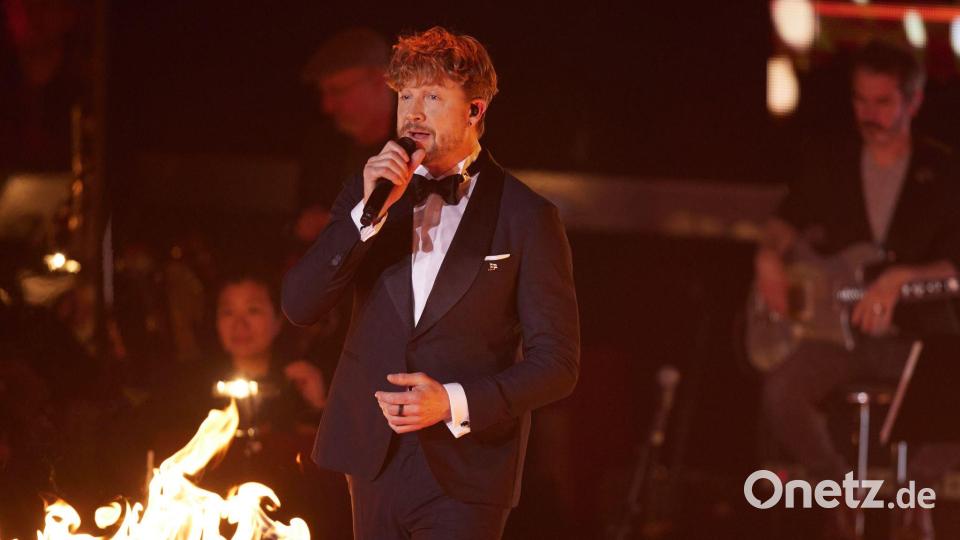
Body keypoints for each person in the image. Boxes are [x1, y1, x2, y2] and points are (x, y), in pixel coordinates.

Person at [282, 26, 580, 540]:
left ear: (475, 110)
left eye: (433, 96)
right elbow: (299, 304)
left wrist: (453, 402)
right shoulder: (368, 192)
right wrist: (364, 219)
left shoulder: (527, 217)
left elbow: (557, 364)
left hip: (466, 465)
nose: (414, 112)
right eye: (406, 96)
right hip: (373, 457)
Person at [757, 39, 960, 539]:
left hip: (917, 336)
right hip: (835, 333)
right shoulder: (830, 158)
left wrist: (901, 278)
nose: (868, 113)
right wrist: (767, 257)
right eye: (860, 100)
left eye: (883, 101)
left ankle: (917, 496)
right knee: (781, 391)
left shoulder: (946, 171)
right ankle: (838, 491)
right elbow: (786, 220)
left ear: (912, 102)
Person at [296, 27, 395, 243]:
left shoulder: (420, 144)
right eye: (324, 93)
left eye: (337, 91)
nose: (327, 106)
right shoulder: (324, 146)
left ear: (379, 80)